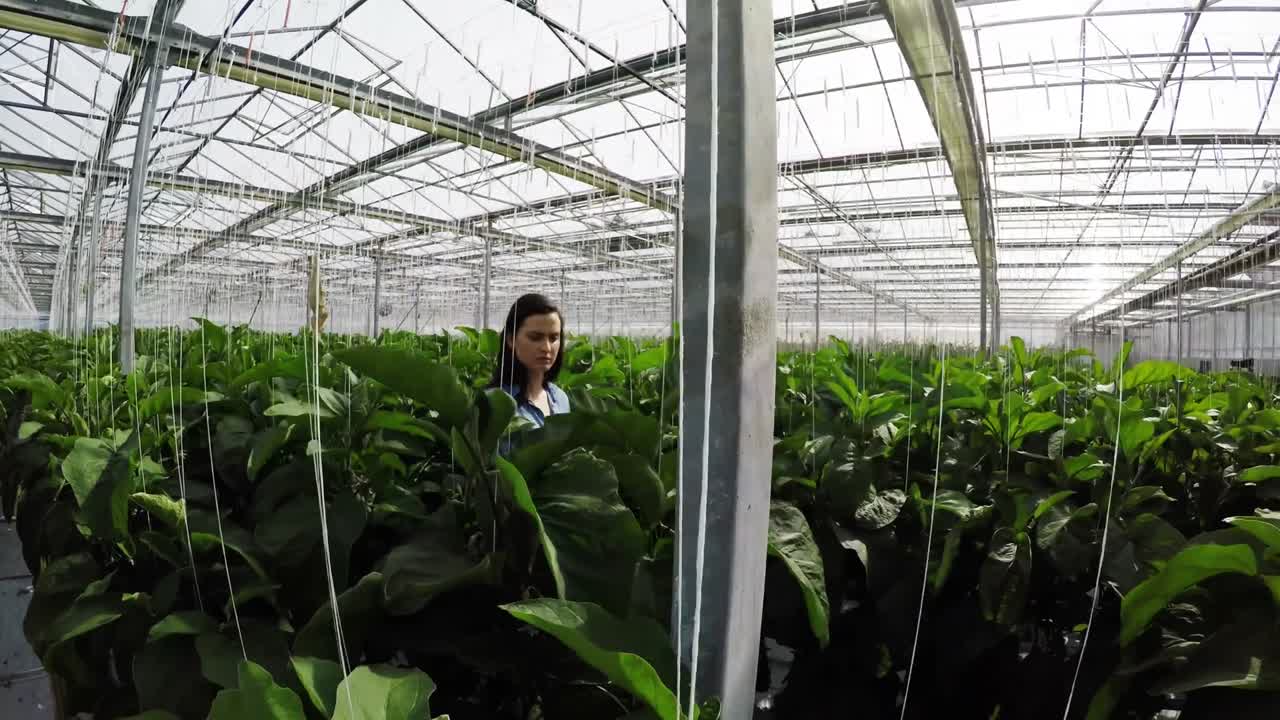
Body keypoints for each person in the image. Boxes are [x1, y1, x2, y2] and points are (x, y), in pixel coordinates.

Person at [489, 293, 570, 430]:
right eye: (535, 337)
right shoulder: (494, 403)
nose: (547, 348)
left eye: (553, 338)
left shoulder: (560, 398)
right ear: (511, 340)